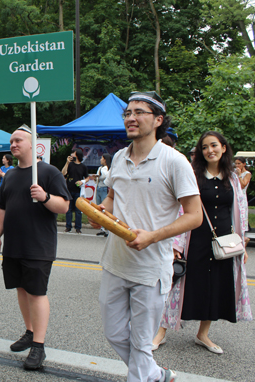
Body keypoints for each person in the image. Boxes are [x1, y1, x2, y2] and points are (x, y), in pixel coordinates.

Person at [93, 91, 202, 382]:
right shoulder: (118, 157)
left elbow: (194, 215)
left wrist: (153, 236)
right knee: (114, 332)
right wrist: (99, 213)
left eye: (139, 112)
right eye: (127, 112)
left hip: (151, 267)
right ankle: (156, 374)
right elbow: (112, 200)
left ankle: (144, 375)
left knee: (141, 344)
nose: (130, 117)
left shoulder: (174, 161)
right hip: (115, 261)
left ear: (157, 120)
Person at [153, 131, 252, 355]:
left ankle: (203, 334)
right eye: (205, 147)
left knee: (216, 286)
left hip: (224, 242)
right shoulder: (193, 176)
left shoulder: (233, 178)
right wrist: (177, 244)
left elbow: (241, 210)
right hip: (195, 239)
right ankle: (160, 333)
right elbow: (181, 209)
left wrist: (242, 244)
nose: (210, 150)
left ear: (224, 148)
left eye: (214, 145)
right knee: (179, 284)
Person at [0, 126, 70, 370]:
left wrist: (45, 196)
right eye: (11, 140)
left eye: (18, 140)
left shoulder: (48, 172)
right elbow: (2, 208)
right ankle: (29, 331)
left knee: (36, 292)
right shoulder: (11, 175)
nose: (13, 144)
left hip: (39, 245)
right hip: (14, 244)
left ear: (33, 144)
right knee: (21, 289)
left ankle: (39, 345)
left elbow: (64, 206)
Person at [61, 149, 88, 234]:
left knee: (78, 210)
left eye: (73, 153)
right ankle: (68, 227)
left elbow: (87, 178)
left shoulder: (83, 166)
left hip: (78, 191)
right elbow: (63, 173)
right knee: (68, 209)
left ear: (77, 155)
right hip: (69, 189)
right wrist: (67, 162)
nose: (72, 155)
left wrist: (82, 181)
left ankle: (78, 227)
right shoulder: (70, 164)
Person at [90, 154, 112, 237]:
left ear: (105, 160)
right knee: (99, 207)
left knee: (105, 208)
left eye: (102, 158)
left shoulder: (108, 168)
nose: (100, 160)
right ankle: (102, 228)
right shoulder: (100, 168)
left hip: (104, 188)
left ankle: (108, 229)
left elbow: (106, 176)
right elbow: (98, 178)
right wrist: (95, 178)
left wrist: (100, 175)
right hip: (99, 188)